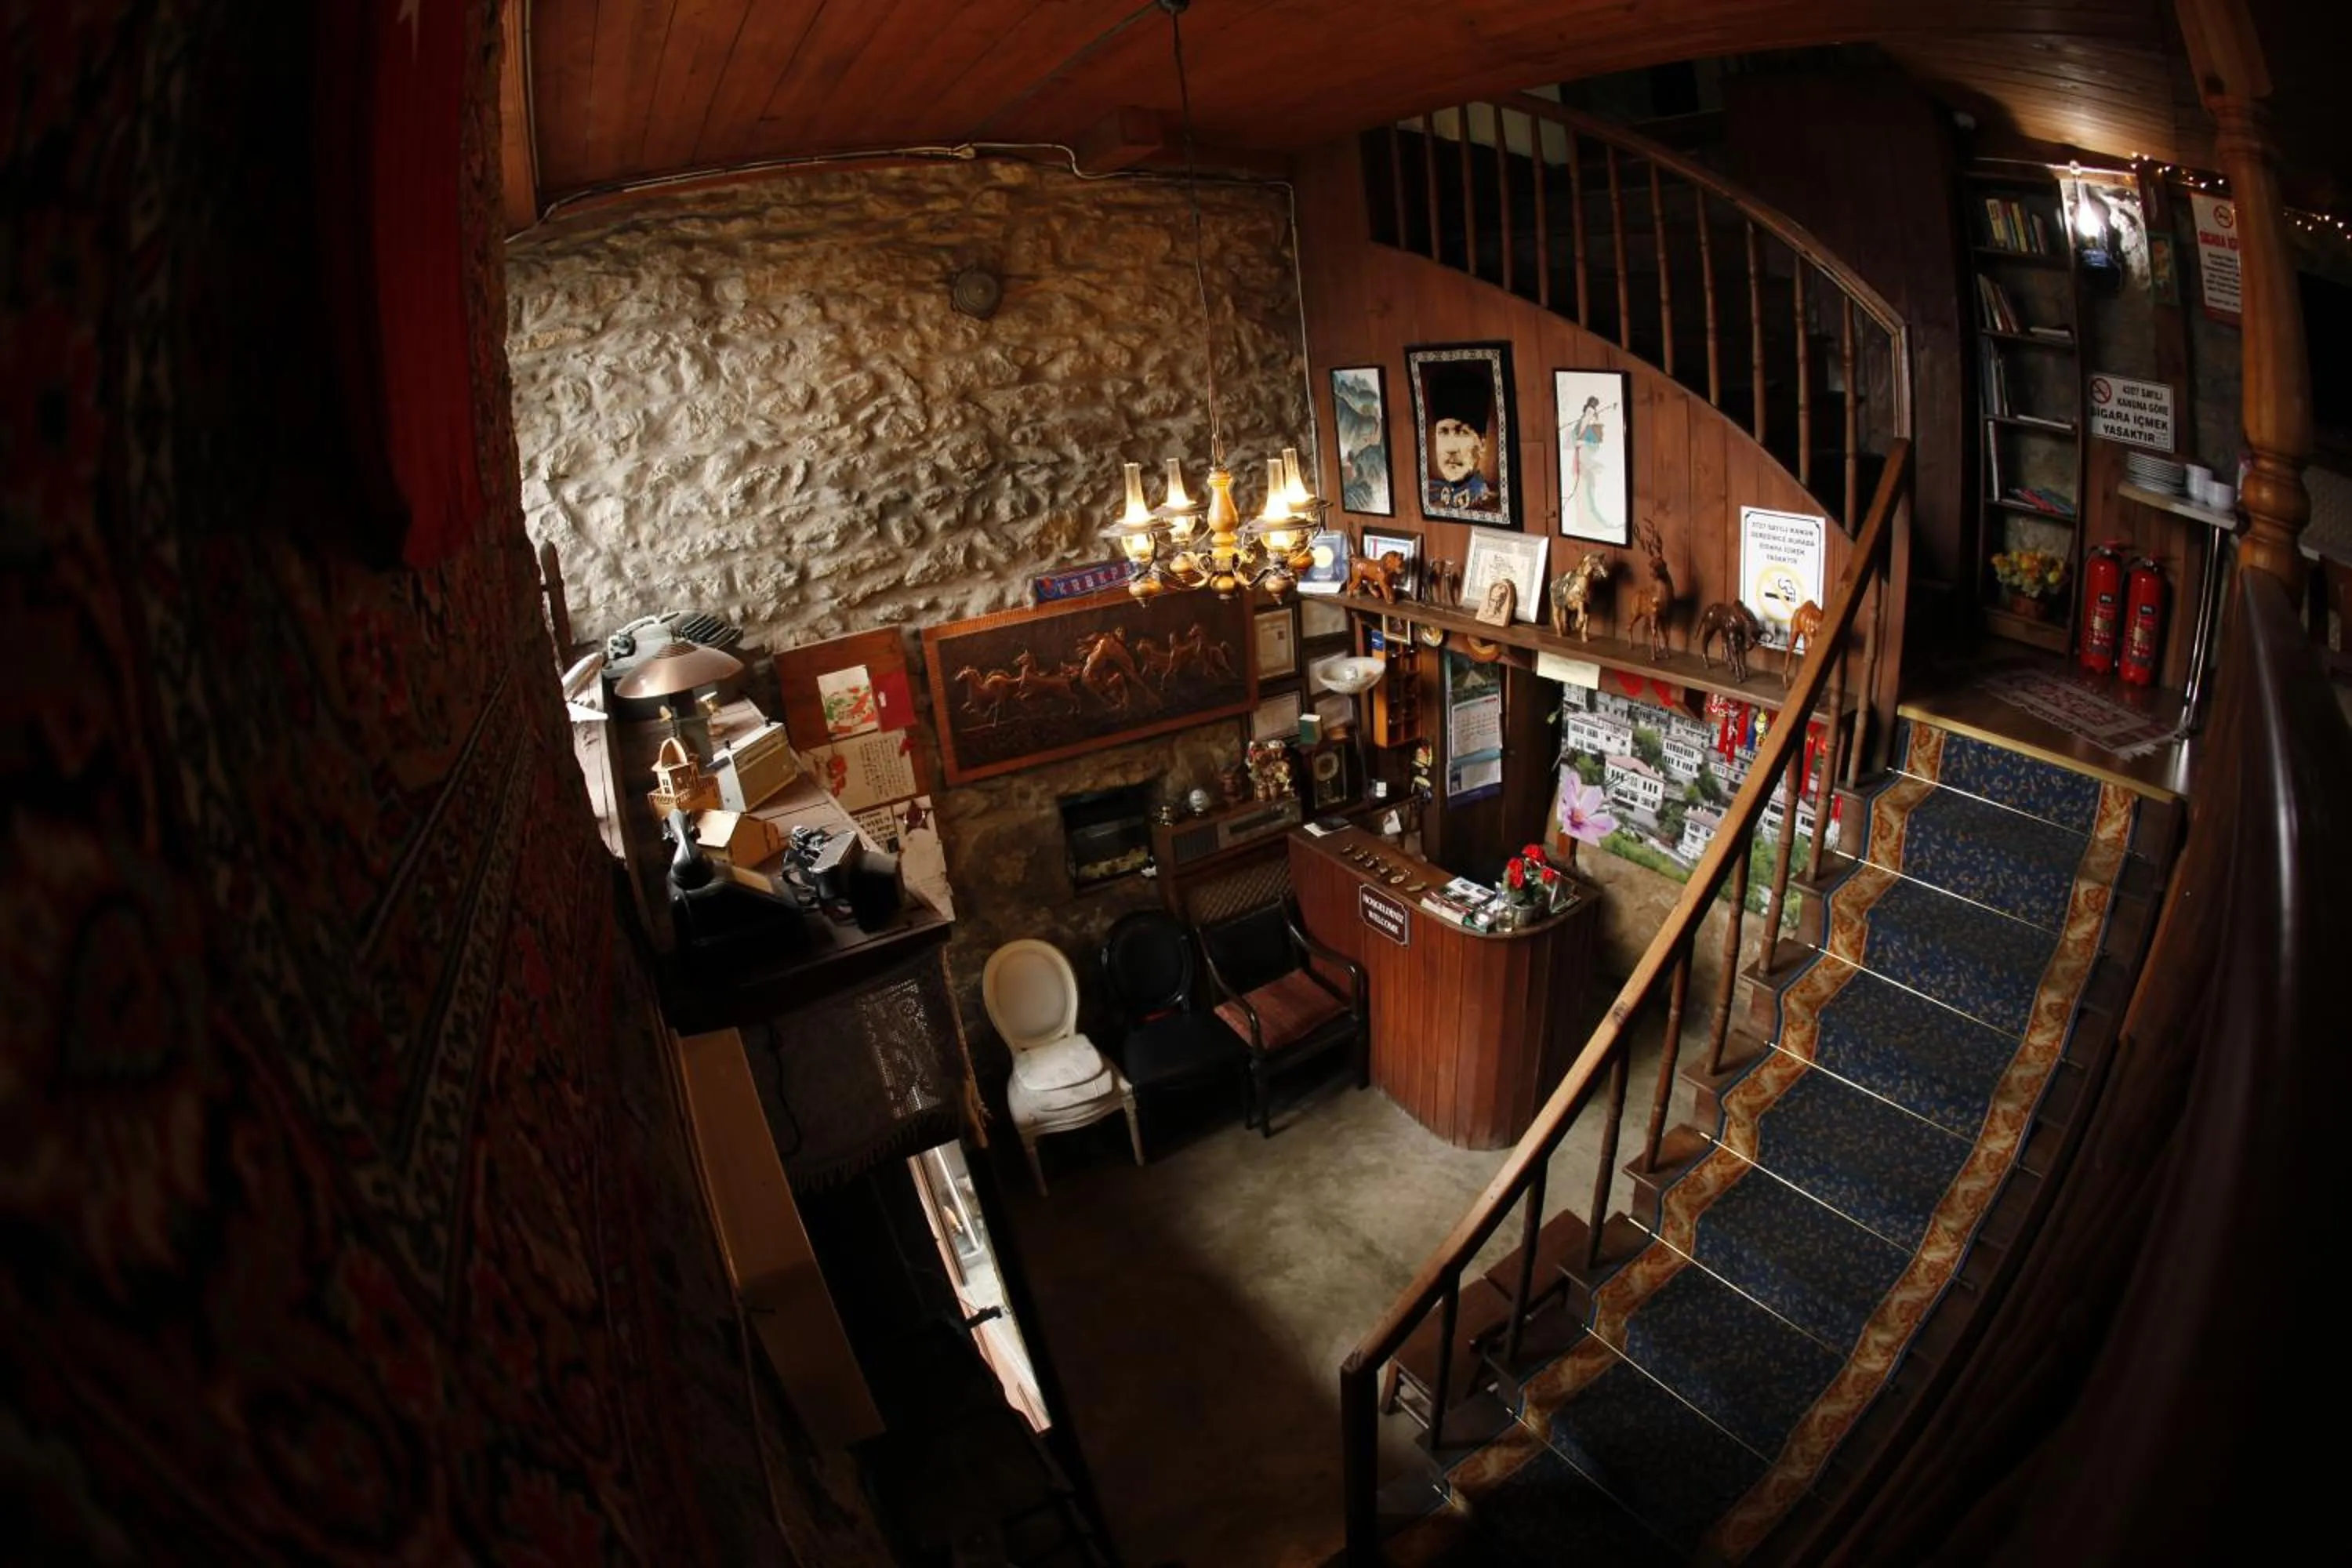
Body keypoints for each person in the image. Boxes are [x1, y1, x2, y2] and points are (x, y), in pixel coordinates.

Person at [1421, 361, 1502, 515]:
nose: (1451, 448)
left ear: (1482, 444)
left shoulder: (1492, 503)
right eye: (1444, 432)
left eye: (1462, 433)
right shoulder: (1430, 496)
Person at [1563, 392, 1621, 539]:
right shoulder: (1578, 425)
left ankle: (1590, 522)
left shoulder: (1594, 427)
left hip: (1587, 465)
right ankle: (1581, 521)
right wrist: (1575, 440)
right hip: (1576, 463)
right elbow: (1567, 444)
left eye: (1592, 413)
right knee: (1578, 494)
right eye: (1588, 411)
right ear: (1584, 411)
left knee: (1586, 493)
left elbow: (1596, 447)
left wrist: (1584, 443)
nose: (1589, 415)